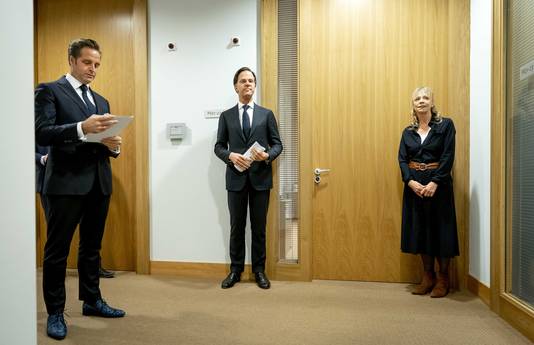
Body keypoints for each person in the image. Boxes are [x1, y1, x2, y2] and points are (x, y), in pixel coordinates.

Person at [35, 38, 125, 340]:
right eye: (88, 62)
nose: (93, 69)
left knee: (91, 249)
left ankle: (92, 300)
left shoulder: (102, 101)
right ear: (72, 60)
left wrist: (114, 147)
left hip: (99, 182)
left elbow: (105, 142)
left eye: (97, 64)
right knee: (57, 251)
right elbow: (41, 131)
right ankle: (56, 312)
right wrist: (80, 128)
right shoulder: (49, 91)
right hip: (64, 183)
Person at [214, 67, 283, 289]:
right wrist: (230, 155)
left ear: (255, 85)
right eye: (243, 81)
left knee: (259, 228)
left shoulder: (266, 114)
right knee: (237, 226)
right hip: (235, 180)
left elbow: (278, 144)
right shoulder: (226, 116)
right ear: (236, 86)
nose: (248, 84)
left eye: (251, 80)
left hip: (261, 179)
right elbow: (218, 146)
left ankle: (259, 271)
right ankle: (235, 271)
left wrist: (266, 156)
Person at [398, 86, 459, 298]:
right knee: (420, 230)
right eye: (417, 98)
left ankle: (443, 279)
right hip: (415, 186)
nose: (422, 101)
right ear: (413, 104)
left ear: (432, 102)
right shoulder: (408, 132)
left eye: (426, 98)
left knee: (441, 230)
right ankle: (428, 276)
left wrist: (435, 182)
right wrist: (410, 181)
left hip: (439, 186)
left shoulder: (446, 125)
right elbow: (402, 159)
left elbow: (448, 155)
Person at [36, 145, 114, 279]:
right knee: (57, 238)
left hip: (85, 180)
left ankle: (95, 268)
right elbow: (26, 150)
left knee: (90, 237)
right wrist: (42, 158)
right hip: (51, 180)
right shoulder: (36, 127)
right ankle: (58, 275)